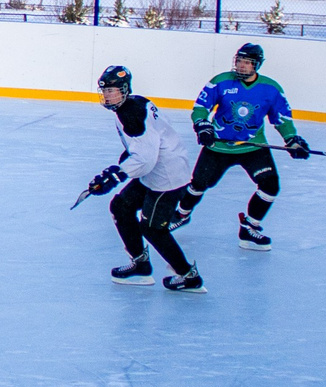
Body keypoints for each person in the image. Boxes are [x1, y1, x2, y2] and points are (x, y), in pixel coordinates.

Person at [82, 63, 202, 292]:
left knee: (153, 228)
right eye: (104, 90)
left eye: (112, 90)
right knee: (121, 206)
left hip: (166, 177)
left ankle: (188, 276)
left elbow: (146, 158)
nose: (107, 96)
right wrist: (125, 161)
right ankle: (140, 264)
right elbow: (148, 141)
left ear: (125, 89)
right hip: (158, 169)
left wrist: (117, 175)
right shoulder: (136, 103)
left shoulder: (130, 114)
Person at [187, 41, 309, 249]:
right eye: (240, 61)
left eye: (247, 62)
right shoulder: (221, 81)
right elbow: (201, 107)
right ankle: (181, 214)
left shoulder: (271, 88)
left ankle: (249, 228)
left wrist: (291, 139)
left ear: (257, 65)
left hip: (253, 147)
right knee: (198, 184)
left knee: (270, 185)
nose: (242, 66)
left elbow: (281, 118)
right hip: (219, 146)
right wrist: (203, 126)